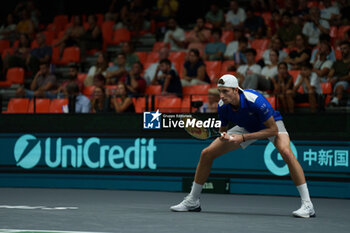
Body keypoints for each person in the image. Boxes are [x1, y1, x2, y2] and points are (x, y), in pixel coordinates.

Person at [170, 74, 316, 218]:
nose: (221, 95)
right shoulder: (223, 106)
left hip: (270, 125)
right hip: (246, 127)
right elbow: (223, 130)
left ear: (236, 90)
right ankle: (193, 201)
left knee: (286, 153)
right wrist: (225, 136)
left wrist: (243, 137)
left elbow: (273, 130)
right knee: (206, 153)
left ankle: (307, 205)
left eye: (225, 91)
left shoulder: (255, 100)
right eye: (220, 91)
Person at [327, 41, 350, 106]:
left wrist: (337, 79)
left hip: (346, 82)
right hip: (335, 81)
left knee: (340, 85)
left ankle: (334, 102)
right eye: (341, 49)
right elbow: (330, 74)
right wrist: (330, 78)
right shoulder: (337, 63)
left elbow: (349, 77)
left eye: (345, 48)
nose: (342, 51)